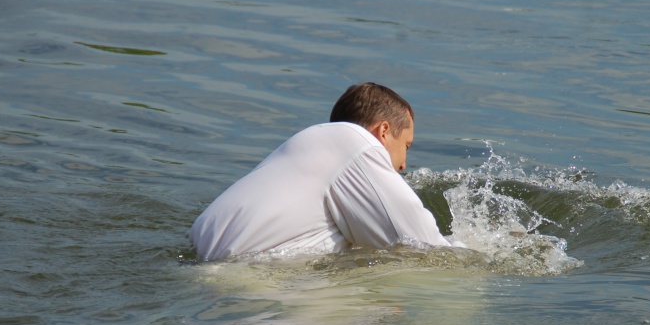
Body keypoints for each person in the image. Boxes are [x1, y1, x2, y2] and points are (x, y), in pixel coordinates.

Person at [189, 82, 457, 260]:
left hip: (199, 260)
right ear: (383, 131)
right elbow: (421, 247)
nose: (403, 164)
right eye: (406, 146)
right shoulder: (358, 144)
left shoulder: (308, 143)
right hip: (248, 278)